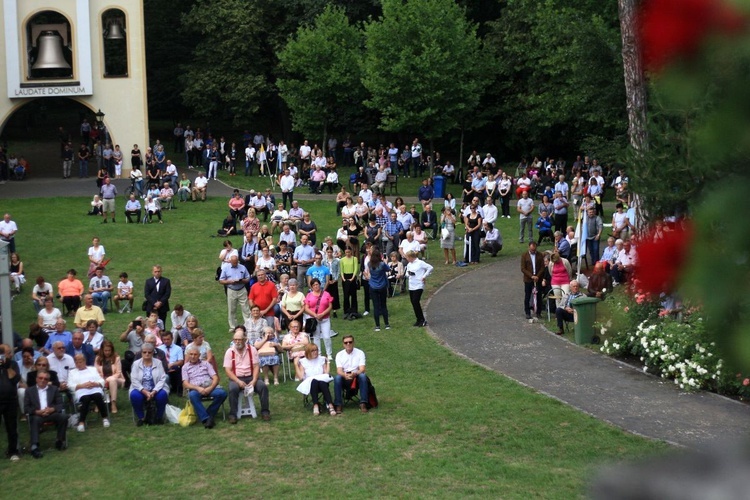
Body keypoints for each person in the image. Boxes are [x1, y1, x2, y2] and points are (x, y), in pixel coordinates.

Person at [223, 331, 271, 424]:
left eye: (239, 339)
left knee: (263, 387)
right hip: (236, 377)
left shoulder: (252, 350)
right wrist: (237, 381)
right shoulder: (229, 352)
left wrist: (254, 380)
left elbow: (256, 366)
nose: (237, 342)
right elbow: (228, 370)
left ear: (245, 340)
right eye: (235, 340)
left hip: (251, 376)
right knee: (233, 389)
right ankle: (233, 414)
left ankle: (265, 412)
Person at [24, 368, 68, 458]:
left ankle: (60, 441)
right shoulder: (29, 391)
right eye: (40, 378)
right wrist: (37, 411)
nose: (43, 380)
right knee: (35, 420)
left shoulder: (54, 389)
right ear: (36, 379)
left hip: (52, 413)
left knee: (63, 417)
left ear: (48, 380)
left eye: (45, 379)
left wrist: (52, 409)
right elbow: (26, 408)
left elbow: (60, 404)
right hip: (37, 414)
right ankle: (34, 446)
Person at [182, 346, 227, 429]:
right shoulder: (185, 367)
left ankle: (208, 414)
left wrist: (210, 388)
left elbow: (215, 378)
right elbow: (185, 383)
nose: (193, 356)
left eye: (195, 354)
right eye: (191, 354)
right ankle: (206, 419)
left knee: (222, 393)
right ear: (188, 355)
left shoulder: (206, 364)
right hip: (196, 389)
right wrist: (198, 388)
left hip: (209, 387)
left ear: (199, 355)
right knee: (192, 395)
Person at [129, 343, 169, 426]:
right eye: (144, 352)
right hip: (140, 388)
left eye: (149, 352)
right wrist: (144, 391)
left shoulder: (158, 363)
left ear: (152, 353)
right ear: (141, 353)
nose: (147, 354)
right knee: (135, 395)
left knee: (162, 395)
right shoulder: (136, 364)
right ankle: (141, 418)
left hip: (156, 388)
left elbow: (162, 378)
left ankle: (158, 417)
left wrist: (154, 391)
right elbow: (134, 379)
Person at [68, 354, 110, 432]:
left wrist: (95, 384)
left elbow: (101, 380)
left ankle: (105, 418)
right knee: (86, 399)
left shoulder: (92, 369)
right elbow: (70, 385)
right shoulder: (72, 372)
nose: (78, 364)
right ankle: (81, 422)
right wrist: (82, 385)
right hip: (82, 391)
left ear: (84, 361)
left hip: (94, 388)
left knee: (97, 396)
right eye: (76, 363)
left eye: (80, 362)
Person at [333, 336, 370, 414]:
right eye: (346, 342)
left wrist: (355, 373)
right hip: (344, 376)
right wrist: (344, 375)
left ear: (353, 343)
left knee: (363, 376)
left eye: (350, 342)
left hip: (356, 376)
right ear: (343, 344)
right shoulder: (339, 355)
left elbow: (362, 369)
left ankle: (363, 403)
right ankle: (338, 404)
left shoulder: (360, 353)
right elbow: (339, 370)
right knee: (337, 378)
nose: (348, 344)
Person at [296, 344, 336, 416]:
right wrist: (296, 365)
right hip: (311, 385)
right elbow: (301, 377)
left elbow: (326, 373)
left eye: (316, 350)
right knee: (314, 381)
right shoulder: (303, 362)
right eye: (313, 351)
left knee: (321, 382)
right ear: (308, 352)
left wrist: (328, 363)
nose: (315, 352)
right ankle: (316, 405)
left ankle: (330, 405)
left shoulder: (321, 359)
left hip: (322, 383)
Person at [303, 278, 334, 358]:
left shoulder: (326, 294)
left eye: (317, 284)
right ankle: (318, 353)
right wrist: (315, 314)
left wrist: (323, 313)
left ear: (320, 285)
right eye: (314, 285)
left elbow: (330, 306)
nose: (316, 286)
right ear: (311, 287)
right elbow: (306, 308)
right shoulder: (309, 295)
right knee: (316, 337)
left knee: (326, 336)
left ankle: (329, 353)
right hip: (314, 319)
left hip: (325, 319)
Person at [219, 255, 252, 331]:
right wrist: (229, 281)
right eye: (233, 262)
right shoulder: (226, 268)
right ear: (230, 261)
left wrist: (242, 280)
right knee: (232, 309)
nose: (235, 264)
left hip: (242, 289)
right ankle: (233, 326)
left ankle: (248, 325)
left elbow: (248, 278)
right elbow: (221, 280)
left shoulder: (242, 267)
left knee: (246, 308)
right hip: (231, 290)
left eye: (236, 262)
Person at [0, 345, 21, 461]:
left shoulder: (13, 364)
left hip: (10, 400)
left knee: (11, 427)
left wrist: (7, 367)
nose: (11, 355)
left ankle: (13, 451)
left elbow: (15, 379)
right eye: (8, 353)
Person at [363, 248, 390, 331]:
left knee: (375, 306)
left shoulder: (369, 264)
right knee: (383, 305)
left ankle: (377, 326)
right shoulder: (382, 264)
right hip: (382, 286)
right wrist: (385, 261)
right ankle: (386, 324)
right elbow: (388, 269)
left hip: (373, 286)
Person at [95, 340, 125, 414]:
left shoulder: (116, 358)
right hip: (102, 379)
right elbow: (96, 372)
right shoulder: (98, 358)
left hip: (116, 379)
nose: (107, 352)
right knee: (97, 382)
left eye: (109, 350)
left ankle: (113, 403)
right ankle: (98, 403)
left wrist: (107, 379)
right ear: (102, 350)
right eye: (105, 350)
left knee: (112, 381)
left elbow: (118, 373)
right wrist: (102, 379)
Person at [404, 251, 433, 327]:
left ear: (411, 257)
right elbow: (407, 273)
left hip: (418, 284)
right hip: (411, 284)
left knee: (415, 301)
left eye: (407, 257)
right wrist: (409, 274)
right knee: (413, 302)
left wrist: (424, 276)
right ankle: (418, 319)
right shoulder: (409, 264)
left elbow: (430, 268)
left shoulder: (420, 263)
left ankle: (422, 320)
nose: (407, 259)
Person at [521, 242, 545, 320]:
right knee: (527, 296)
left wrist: (537, 276)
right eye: (531, 250)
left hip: (538, 278)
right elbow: (523, 268)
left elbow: (542, 267)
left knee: (538, 296)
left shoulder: (540, 255)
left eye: (534, 250)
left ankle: (538, 312)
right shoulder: (524, 255)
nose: (533, 251)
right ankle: (527, 312)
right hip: (528, 279)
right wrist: (531, 276)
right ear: (529, 248)